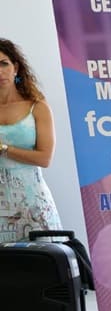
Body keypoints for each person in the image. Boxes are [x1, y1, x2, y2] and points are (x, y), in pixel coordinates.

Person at [0, 38, 62, 243]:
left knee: (42, 266)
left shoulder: (37, 106)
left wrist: (4, 148)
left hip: (33, 202)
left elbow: (45, 158)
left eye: (3, 64)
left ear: (15, 67)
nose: (0, 71)